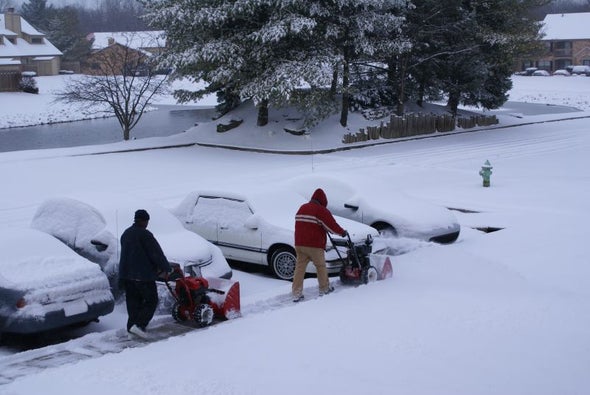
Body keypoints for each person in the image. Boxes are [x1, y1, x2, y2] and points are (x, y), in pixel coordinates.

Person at [119, 209, 172, 339]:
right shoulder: (145, 235)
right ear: (144, 221)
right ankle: (139, 325)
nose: (147, 223)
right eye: (147, 221)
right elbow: (156, 254)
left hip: (127, 275)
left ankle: (131, 326)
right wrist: (167, 268)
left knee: (133, 302)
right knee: (151, 300)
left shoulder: (126, 234)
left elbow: (124, 255)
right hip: (143, 276)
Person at [292, 188, 347, 302]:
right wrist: (342, 232)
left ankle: (296, 293)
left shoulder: (302, 207)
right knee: (320, 266)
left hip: (299, 244)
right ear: (323, 201)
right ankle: (324, 289)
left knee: (300, 268)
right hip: (314, 245)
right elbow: (332, 226)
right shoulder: (320, 210)